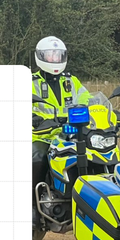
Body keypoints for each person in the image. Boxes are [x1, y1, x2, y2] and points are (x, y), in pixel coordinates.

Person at [31, 36, 91, 203]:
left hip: (70, 134)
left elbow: (87, 99)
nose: (55, 59)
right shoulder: (30, 82)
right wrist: (33, 118)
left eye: (58, 55)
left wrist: (96, 110)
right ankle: (31, 207)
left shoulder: (71, 80)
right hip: (43, 136)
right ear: (41, 57)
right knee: (37, 157)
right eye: (51, 55)